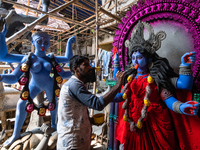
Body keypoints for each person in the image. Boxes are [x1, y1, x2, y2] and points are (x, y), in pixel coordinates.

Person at [113, 21, 200, 150]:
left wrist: (181, 107)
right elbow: (122, 94)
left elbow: (181, 87)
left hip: (155, 122)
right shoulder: (130, 77)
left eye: (139, 57)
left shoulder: (157, 77)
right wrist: (106, 98)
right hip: (134, 121)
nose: (135, 61)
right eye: (133, 58)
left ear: (148, 59)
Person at [0, 21, 76, 147]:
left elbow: (68, 59)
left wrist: (69, 43)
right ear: (33, 42)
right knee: (21, 104)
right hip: (33, 85)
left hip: (50, 86)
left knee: (54, 104)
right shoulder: (28, 58)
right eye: (39, 41)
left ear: (49, 43)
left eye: (46, 42)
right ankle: (16, 134)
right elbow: (5, 60)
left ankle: (54, 125)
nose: (42, 44)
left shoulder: (51, 58)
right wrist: (2, 36)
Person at [57, 55, 125, 150]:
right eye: (85, 65)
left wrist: (89, 120)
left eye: (89, 64)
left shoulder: (78, 84)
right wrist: (118, 84)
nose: (90, 67)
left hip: (79, 140)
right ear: (75, 69)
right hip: (72, 142)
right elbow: (97, 103)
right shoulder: (74, 85)